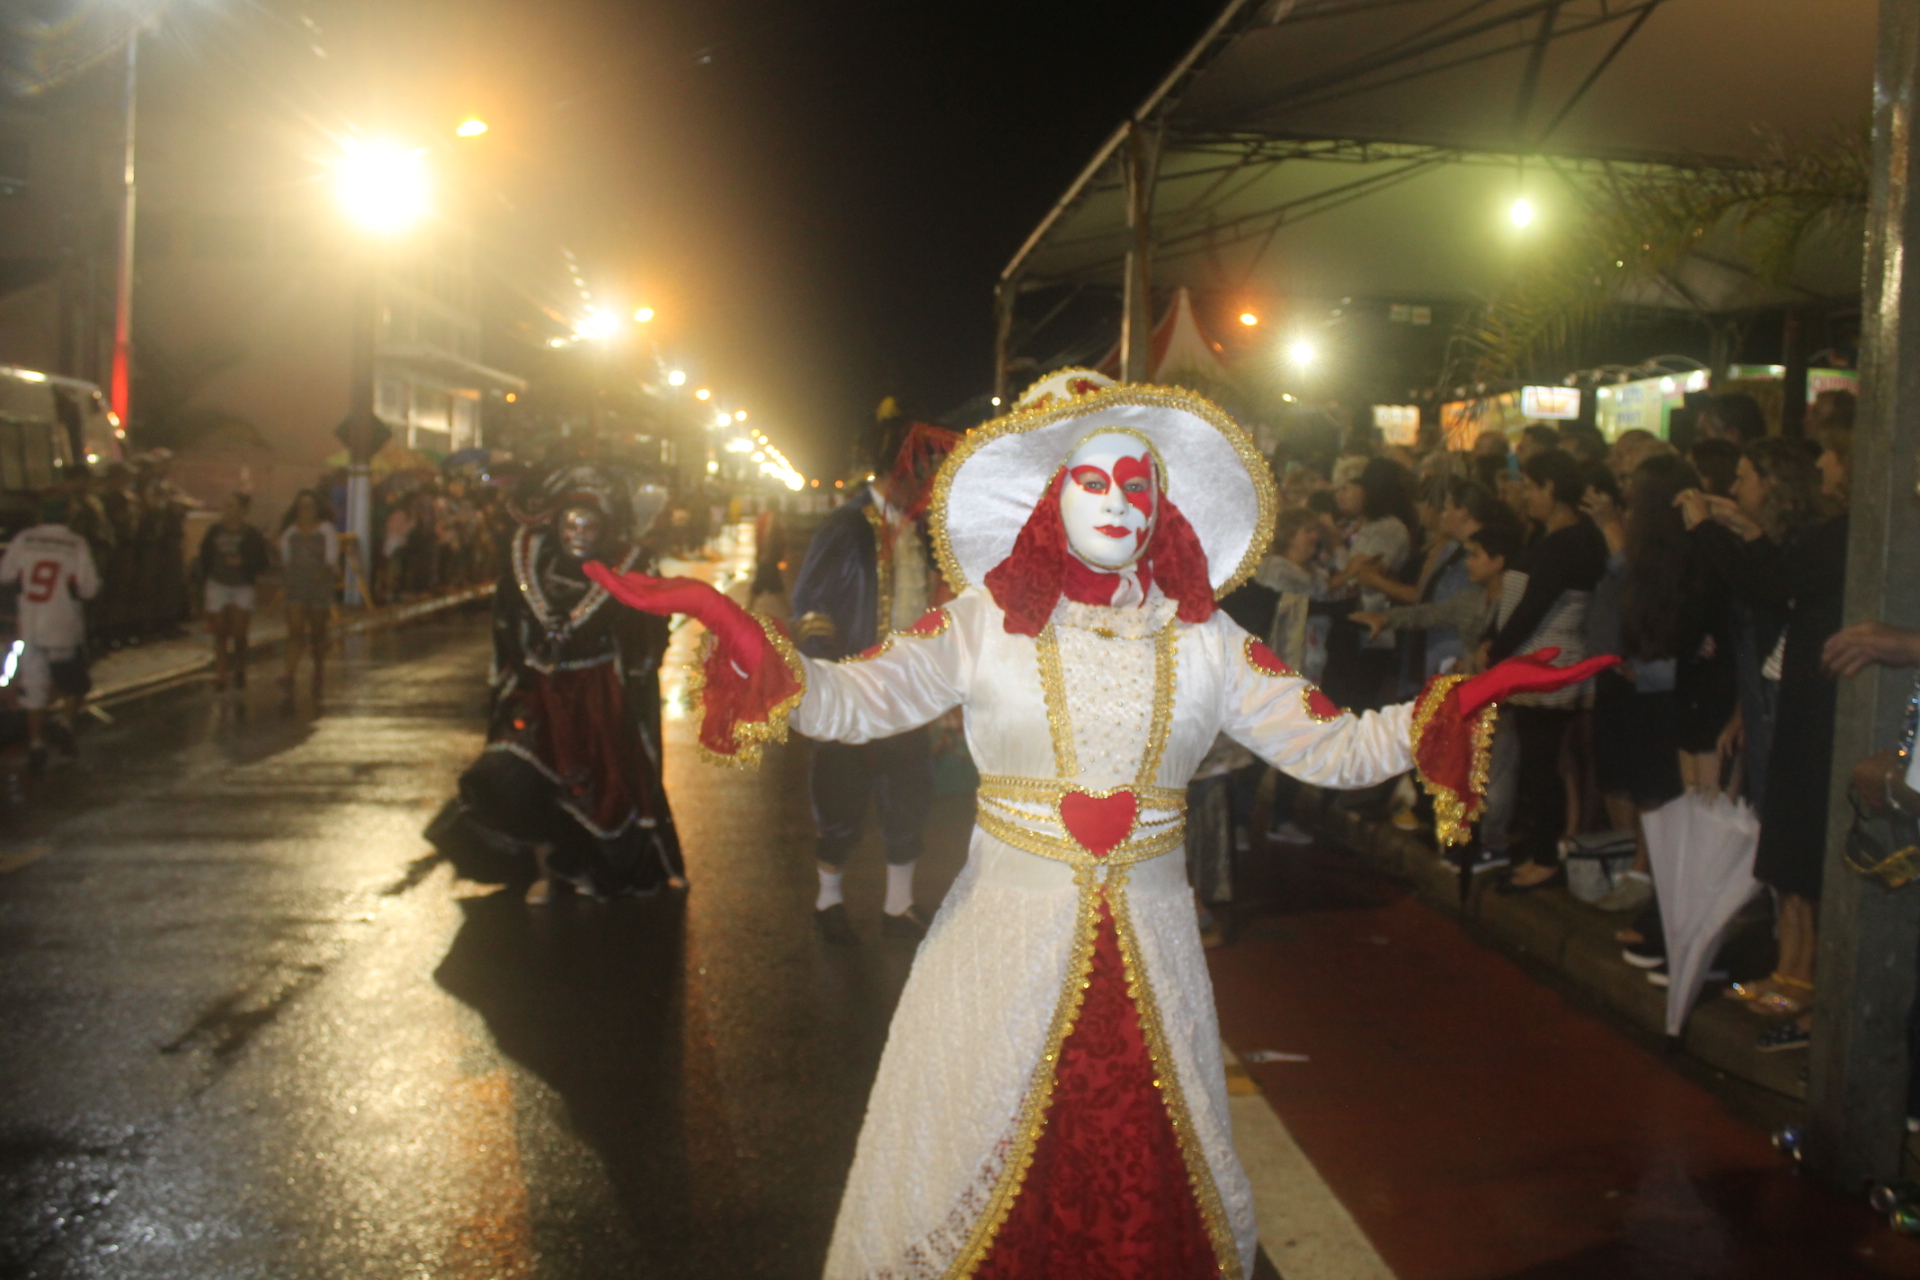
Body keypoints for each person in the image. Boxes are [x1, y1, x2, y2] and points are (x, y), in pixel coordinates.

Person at [587, 369, 1609, 1279]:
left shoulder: (1207, 635)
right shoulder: (983, 617)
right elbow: (851, 699)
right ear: (1046, 499)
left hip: (1153, 958)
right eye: (1093, 480)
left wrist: (1471, 695)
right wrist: (723, 618)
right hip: (1000, 951)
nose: (1120, 501)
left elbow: (1332, 745)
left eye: (1137, 484)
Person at [438, 464, 682, 903]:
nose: (579, 533)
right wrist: (521, 663)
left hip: (596, 695)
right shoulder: (530, 563)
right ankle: (529, 865)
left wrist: (637, 674)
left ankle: (576, 866)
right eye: (571, 524)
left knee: (594, 787)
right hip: (537, 692)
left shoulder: (627, 566)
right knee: (512, 771)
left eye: (590, 526)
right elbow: (507, 619)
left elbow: (650, 628)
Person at [788, 403, 960, 943]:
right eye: (922, 474)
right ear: (899, 472)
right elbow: (812, 602)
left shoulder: (920, 530)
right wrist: (828, 675)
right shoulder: (845, 526)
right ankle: (828, 901)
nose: (928, 486)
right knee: (840, 799)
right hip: (854, 687)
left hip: (908, 691)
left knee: (908, 795)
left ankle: (897, 907)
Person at [1485, 448, 1610, 891]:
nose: (1525, 496)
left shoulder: (1566, 543)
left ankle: (1546, 858)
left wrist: (1495, 652)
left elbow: (1532, 608)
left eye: (1531, 487)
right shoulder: (1569, 536)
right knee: (1550, 765)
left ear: (1552, 489)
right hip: (1550, 662)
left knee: (1542, 766)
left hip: (1547, 666)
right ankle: (1550, 850)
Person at [0, 500, 100, 772]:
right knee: (76, 683)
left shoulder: (24, 539)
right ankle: (65, 723)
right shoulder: (75, 544)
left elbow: (5, 574)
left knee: (34, 687)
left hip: (31, 626)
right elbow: (89, 588)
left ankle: (36, 744)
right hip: (63, 627)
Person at [197, 494, 270, 693]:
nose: (228, 510)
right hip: (218, 584)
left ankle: (239, 667)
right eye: (226, 505)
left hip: (241, 585)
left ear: (242, 510)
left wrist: (243, 562)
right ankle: (221, 673)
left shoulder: (252, 534)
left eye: (232, 506)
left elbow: (262, 562)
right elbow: (204, 556)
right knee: (219, 632)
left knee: (239, 632)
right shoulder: (215, 531)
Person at [277, 490, 340, 707]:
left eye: (311, 506)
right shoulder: (290, 533)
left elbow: (331, 561)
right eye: (302, 506)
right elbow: (285, 560)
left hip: (319, 590)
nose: (307, 511)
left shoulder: (326, 531)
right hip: (296, 589)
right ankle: (289, 675)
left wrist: (318, 577)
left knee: (317, 633)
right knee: (295, 632)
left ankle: (318, 669)